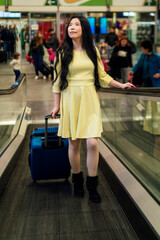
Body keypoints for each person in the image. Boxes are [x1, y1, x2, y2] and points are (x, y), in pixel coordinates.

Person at [51, 16, 133, 203]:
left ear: (84, 29)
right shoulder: (62, 52)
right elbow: (57, 81)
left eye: (76, 24)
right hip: (70, 99)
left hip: (89, 98)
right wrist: (56, 105)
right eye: (70, 25)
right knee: (74, 144)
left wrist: (121, 85)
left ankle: (92, 185)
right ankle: (77, 180)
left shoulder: (92, 50)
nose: (72, 27)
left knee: (93, 143)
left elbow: (102, 76)